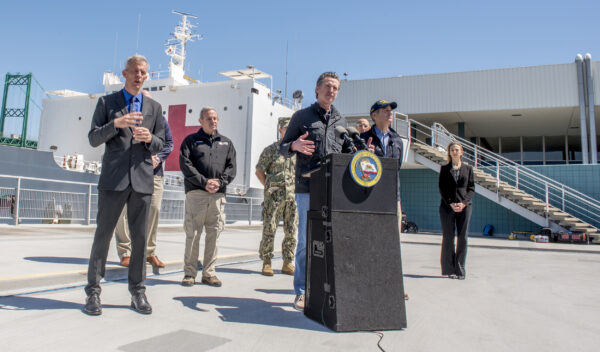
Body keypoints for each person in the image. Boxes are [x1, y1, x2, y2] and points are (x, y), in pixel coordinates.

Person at [84, 55, 165, 316]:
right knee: (102, 237)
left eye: (143, 72)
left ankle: (138, 291)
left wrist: (150, 137)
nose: (139, 75)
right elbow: (94, 138)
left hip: (142, 181)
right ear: (124, 73)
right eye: (134, 71)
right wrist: (115, 124)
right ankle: (93, 292)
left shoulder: (154, 108)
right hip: (113, 180)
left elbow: (161, 144)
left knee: (140, 240)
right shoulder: (107, 102)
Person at [280, 72, 350, 311]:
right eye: (328, 86)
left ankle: (328, 288)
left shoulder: (341, 120)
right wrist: (294, 145)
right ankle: (301, 290)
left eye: (336, 88)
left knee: (333, 240)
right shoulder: (302, 116)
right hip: (307, 188)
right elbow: (282, 147)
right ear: (317, 89)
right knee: (305, 241)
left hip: (334, 189)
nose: (332, 91)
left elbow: (346, 152)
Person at [179, 107, 236, 287]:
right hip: (197, 193)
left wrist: (219, 182)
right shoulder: (191, 141)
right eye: (209, 118)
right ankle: (189, 273)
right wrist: (204, 182)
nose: (213, 121)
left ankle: (209, 273)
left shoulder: (227, 143)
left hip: (218, 195)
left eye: (215, 118)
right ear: (201, 121)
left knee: (214, 233)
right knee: (193, 234)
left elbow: (231, 167)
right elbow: (185, 164)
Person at [360, 99, 408, 300]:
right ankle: (367, 282)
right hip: (369, 196)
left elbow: (396, 169)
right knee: (368, 240)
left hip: (392, 195)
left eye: (391, 111)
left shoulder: (398, 140)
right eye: (385, 110)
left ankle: (393, 284)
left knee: (392, 241)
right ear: (374, 115)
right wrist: (364, 154)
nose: (390, 113)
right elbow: (353, 166)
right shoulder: (362, 138)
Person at [115, 110, 174, 269]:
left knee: (153, 210)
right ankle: (126, 252)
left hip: (153, 173)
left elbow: (169, 143)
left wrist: (158, 157)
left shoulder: (160, 120)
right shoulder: (126, 118)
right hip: (127, 172)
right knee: (122, 213)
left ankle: (148, 252)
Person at [255, 118, 297, 277]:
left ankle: (287, 262)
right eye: (286, 128)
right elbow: (259, 171)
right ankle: (267, 262)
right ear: (280, 130)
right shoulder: (271, 150)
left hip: (292, 197)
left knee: (292, 230)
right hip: (274, 197)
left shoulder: (297, 151)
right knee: (269, 229)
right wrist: (269, 187)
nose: (289, 131)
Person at [438, 142, 475, 280]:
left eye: (457, 150)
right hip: (447, 207)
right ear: (449, 152)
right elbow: (442, 188)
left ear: (461, 152)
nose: (454, 152)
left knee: (462, 237)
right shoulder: (444, 168)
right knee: (448, 237)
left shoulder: (468, 169)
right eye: (452, 150)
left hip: (465, 208)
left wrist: (463, 203)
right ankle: (449, 269)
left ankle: (460, 270)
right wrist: (451, 203)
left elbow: (471, 188)